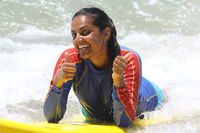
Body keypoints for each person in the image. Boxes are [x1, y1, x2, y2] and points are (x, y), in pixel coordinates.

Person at [43, 7, 165, 127]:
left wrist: (118, 82)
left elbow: (124, 122)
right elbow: (51, 118)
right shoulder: (69, 59)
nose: (78, 39)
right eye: (74, 35)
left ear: (106, 34)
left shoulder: (126, 59)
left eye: (85, 32)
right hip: (95, 110)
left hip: (149, 97)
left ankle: (165, 92)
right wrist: (57, 84)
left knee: (166, 97)